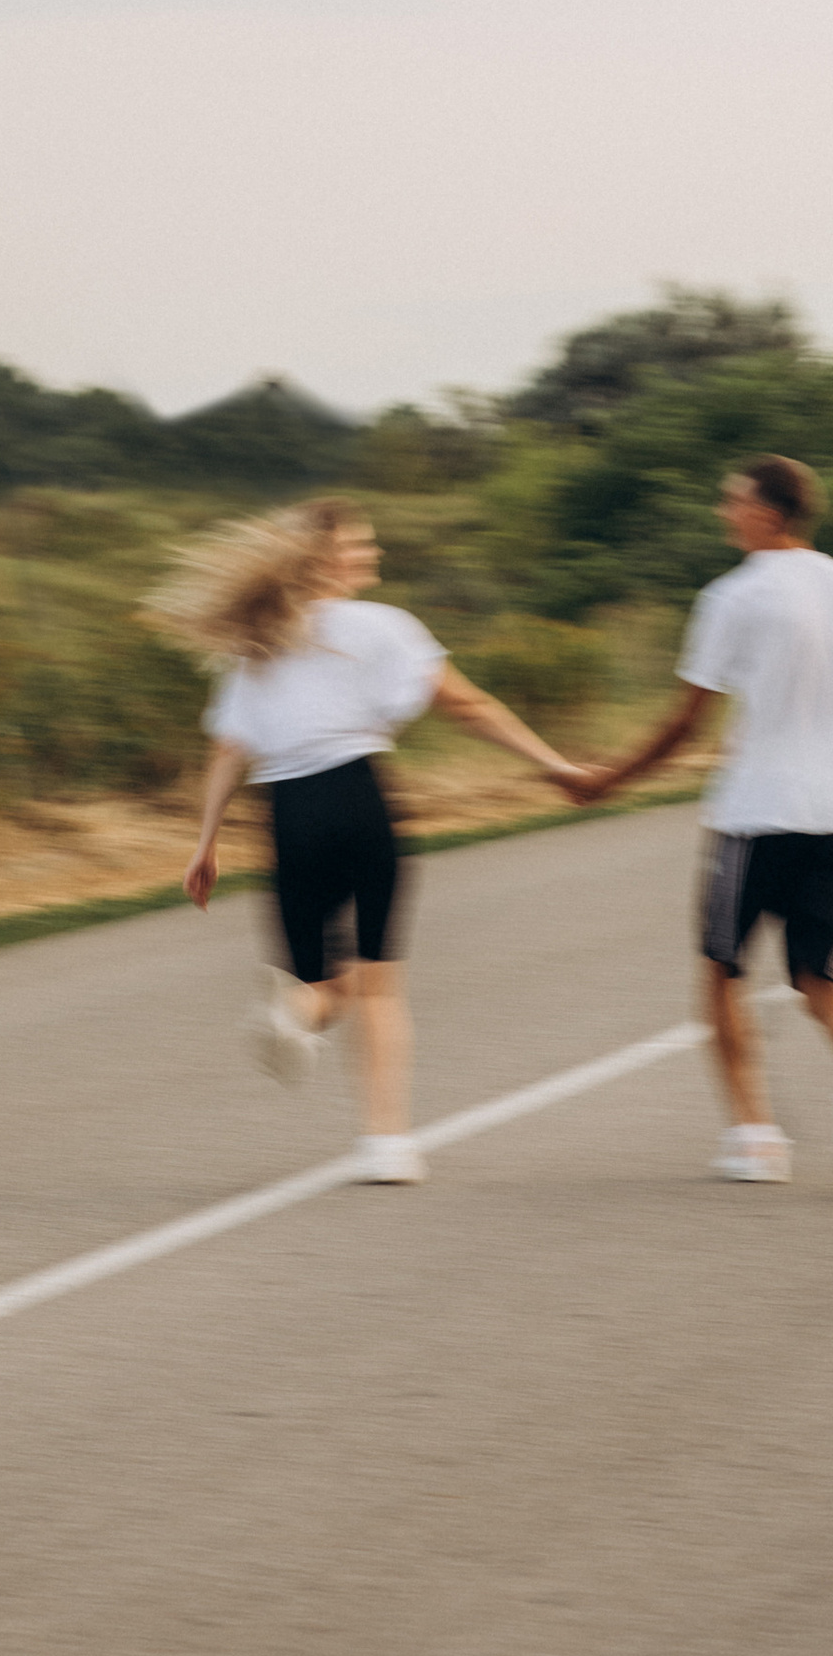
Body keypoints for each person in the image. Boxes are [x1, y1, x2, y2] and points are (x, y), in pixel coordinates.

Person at [163, 497, 591, 1183]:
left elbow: (227, 750)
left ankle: (295, 1009)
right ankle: (386, 1143)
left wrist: (205, 842)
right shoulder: (383, 626)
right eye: (360, 547)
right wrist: (555, 765)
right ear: (325, 558)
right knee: (380, 985)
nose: (373, 556)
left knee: (320, 984)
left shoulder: (256, 642)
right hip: (362, 799)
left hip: (289, 812)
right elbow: (467, 704)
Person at [578, 454, 833, 1184]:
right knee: (819, 975)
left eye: (731, 501)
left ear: (769, 513)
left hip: (756, 814)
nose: (722, 512)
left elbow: (685, 721)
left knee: (721, 970)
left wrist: (607, 780)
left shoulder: (733, 596)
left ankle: (756, 1139)